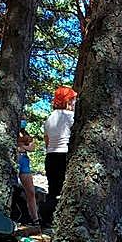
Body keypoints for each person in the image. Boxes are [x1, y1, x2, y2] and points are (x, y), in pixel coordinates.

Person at [43, 86, 77, 228]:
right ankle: (65, 222)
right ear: (68, 100)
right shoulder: (71, 117)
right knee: (67, 190)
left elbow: (47, 141)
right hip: (65, 155)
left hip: (51, 156)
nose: (75, 102)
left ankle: (47, 221)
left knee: (53, 190)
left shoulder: (49, 118)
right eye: (73, 99)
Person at [15, 125, 38, 226]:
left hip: (24, 159)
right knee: (14, 189)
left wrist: (22, 145)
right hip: (14, 158)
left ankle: (35, 218)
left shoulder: (25, 133)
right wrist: (22, 141)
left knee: (31, 191)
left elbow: (32, 147)